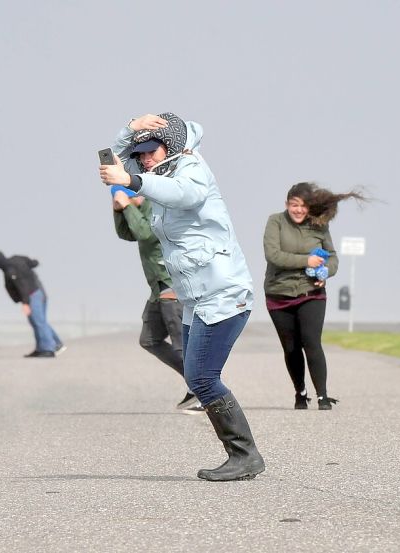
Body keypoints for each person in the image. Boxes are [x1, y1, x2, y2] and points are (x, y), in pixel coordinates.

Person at [100, 112, 264, 481]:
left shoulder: (190, 168)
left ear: (170, 145)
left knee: (203, 377)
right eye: (139, 154)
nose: (143, 159)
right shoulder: (161, 172)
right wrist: (131, 128)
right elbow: (117, 159)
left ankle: (245, 456)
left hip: (223, 291)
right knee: (197, 374)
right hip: (195, 296)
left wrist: (132, 180)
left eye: (149, 152)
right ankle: (243, 455)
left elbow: (186, 196)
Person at [262, 182, 366, 409]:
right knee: (291, 347)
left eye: (303, 205)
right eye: (294, 204)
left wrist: (326, 272)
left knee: (312, 342)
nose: (298, 210)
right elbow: (273, 255)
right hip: (278, 293)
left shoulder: (319, 225)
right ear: (286, 204)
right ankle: (300, 393)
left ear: (310, 207)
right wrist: (306, 261)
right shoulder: (275, 222)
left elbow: (332, 258)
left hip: (312, 292)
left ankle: (322, 396)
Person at [110, 185, 202, 413]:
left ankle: (203, 392)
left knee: (182, 345)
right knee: (149, 339)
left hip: (173, 286)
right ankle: (197, 383)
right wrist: (119, 211)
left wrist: (127, 206)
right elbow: (127, 234)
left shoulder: (158, 208)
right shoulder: (138, 209)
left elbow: (145, 233)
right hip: (157, 289)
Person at [0, 251, 65, 358]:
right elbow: (33, 263)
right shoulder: (18, 259)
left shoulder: (10, 269)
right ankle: (46, 347)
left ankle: (48, 348)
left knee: (39, 321)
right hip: (37, 292)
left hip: (32, 295)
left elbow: (22, 286)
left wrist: (25, 303)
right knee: (38, 321)